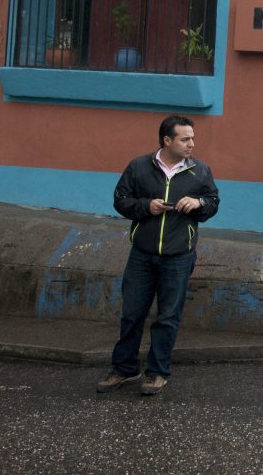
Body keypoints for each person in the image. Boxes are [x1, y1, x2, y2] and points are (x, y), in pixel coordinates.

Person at [96, 115, 219, 396]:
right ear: (167, 140)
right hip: (142, 254)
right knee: (132, 314)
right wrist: (145, 206)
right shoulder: (139, 166)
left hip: (178, 257)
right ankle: (125, 369)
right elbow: (121, 200)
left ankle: (157, 372)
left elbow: (213, 203)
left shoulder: (200, 171)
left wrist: (199, 202)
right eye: (185, 139)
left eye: (192, 138)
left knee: (167, 316)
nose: (191, 144)